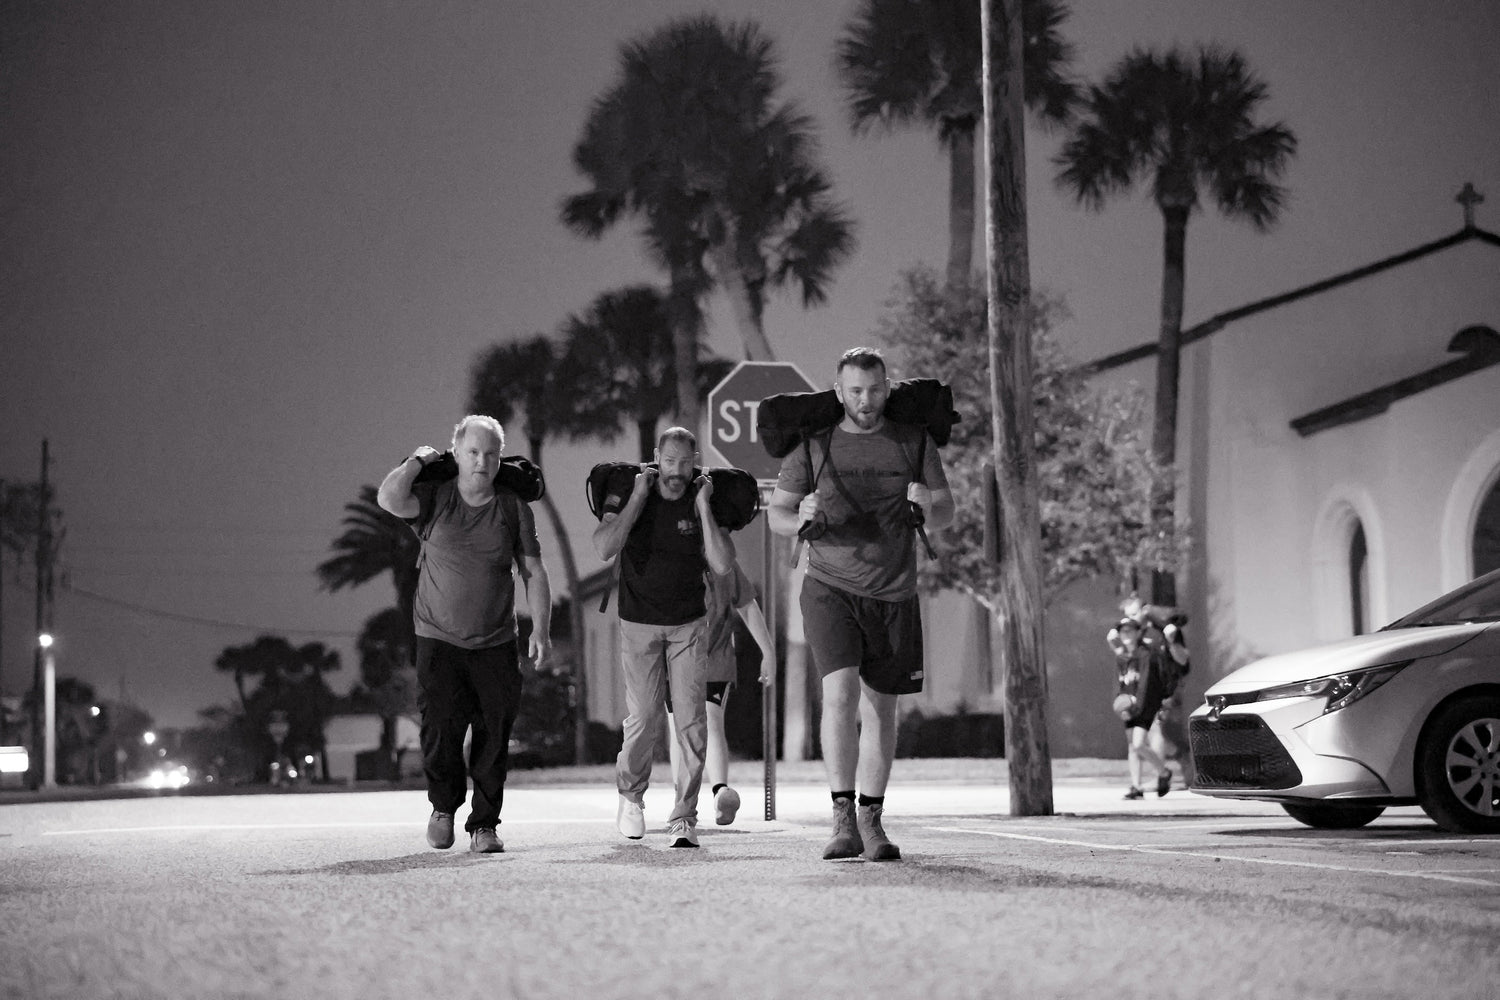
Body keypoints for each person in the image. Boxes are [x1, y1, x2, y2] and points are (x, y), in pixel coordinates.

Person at [766, 347, 953, 861]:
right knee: (840, 694)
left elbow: (946, 513)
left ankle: (873, 821)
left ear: (887, 388)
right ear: (838, 389)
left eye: (873, 390)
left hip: (894, 590)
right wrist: (798, 512)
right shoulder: (813, 446)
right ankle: (842, 818)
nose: (864, 401)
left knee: (880, 707)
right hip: (829, 585)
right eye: (854, 391)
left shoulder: (913, 443)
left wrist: (927, 505)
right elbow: (777, 515)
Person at [376, 414, 552, 854]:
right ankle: (442, 807)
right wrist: (419, 460)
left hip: (495, 641)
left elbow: (534, 571)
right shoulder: (434, 498)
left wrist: (542, 629)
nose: (482, 462)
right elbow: (388, 498)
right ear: (457, 454)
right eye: (473, 452)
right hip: (437, 638)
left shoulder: (513, 509)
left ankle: (485, 825)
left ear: (499, 459)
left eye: (491, 454)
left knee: (494, 736)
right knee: (440, 731)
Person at [594, 427, 732, 848]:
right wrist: (637, 495)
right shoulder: (630, 491)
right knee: (645, 718)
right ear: (657, 458)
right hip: (638, 624)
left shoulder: (701, 496)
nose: (676, 471)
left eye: (685, 463)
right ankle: (631, 797)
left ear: (695, 462)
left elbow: (723, 565)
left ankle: (684, 816)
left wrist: (705, 508)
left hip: (689, 624)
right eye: (669, 461)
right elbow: (604, 547)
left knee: (690, 721)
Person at [666, 541, 776, 826]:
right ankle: (720, 791)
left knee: (679, 728)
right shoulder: (724, 561)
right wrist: (768, 651)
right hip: (716, 657)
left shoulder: (669, 557)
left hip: (676, 658)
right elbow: (748, 606)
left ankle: (682, 799)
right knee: (712, 724)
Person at [1108, 613, 1188, 799]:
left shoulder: (1146, 655)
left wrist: (1136, 707)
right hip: (1127, 707)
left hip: (1144, 706)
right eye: (1122, 631)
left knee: (1138, 744)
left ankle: (1164, 772)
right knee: (1132, 747)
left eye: (1130, 630)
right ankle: (1136, 786)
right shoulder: (1121, 657)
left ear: (1138, 633)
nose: (1126, 633)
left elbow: (1145, 684)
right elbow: (1117, 683)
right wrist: (1118, 706)